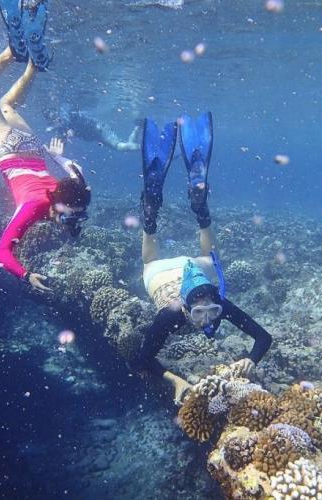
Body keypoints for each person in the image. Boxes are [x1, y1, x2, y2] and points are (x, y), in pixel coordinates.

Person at [133, 111, 273, 404]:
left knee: (210, 260)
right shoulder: (171, 315)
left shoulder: (214, 302)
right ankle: (191, 208)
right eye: (199, 314)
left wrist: (250, 360)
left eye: (209, 311)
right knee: (151, 265)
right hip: (166, 272)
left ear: (212, 300)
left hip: (191, 268)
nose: (206, 318)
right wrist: (177, 380)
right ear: (185, 308)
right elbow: (142, 359)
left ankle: (158, 212)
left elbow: (145, 359)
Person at [0, 3, 89, 292]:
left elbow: (76, 170)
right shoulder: (34, 207)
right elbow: (1, 253)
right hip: (8, 151)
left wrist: (58, 157)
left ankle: (35, 63)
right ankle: (14, 51)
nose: (69, 218)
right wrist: (25, 275)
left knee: (7, 104)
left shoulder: (79, 191)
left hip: (34, 150)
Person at [44, 104, 142, 152]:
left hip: (100, 130)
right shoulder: (62, 127)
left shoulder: (68, 115)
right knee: (123, 145)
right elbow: (61, 144)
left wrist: (57, 128)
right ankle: (138, 127)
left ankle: (144, 147)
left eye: (55, 117)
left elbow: (70, 120)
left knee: (119, 147)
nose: (55, 121)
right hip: (96, 135)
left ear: (57, 114)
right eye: (51, 120)